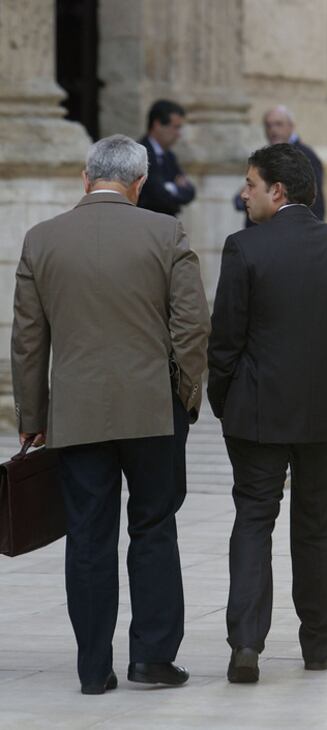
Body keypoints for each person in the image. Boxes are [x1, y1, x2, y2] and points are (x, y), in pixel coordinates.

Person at [11, 134, 210, 695]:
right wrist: (185, 393)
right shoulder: (165, 232)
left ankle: (92, 669)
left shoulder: (42, 239)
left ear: (84, 176)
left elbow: (28, 341)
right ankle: (151, 657)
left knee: (89, 536)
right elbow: (193, 325)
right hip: (153, 408)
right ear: (140, 183)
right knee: (153, 527)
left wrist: (33, 414)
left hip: (76, 413)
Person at [208, 144, 327, 683]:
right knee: (316, 525)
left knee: (252, 520)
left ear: (279, 190)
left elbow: (225, 342)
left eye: (250, 183)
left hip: (257, 412)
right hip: (323, 413)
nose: (243, 193)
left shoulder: (244, 248)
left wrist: (226, 399)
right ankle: (318, 645)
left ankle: (246, 644)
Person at [234, 104, 325, 224]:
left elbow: (314, 201)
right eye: (268, 125)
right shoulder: (263, 156)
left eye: (278, 124)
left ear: (291, 126)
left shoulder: (306, 156)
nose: (273, 130)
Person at [138, 99, 195, 216]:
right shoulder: (139, 153)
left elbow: (190, 192)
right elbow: (156, 195)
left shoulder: (169, 156)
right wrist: (175, 188)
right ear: (157, 125)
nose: (178, 134)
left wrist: (169, 188)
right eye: (175, 127)